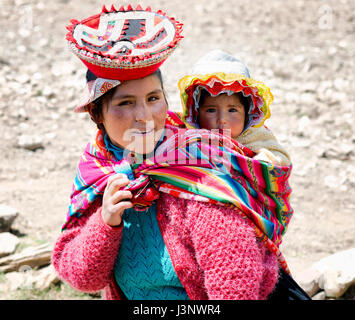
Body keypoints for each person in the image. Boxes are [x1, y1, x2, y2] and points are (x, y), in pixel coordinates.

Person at [52, 5, 295, 300]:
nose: (144, 115)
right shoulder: (98, 169)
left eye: (153, 98)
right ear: (97, 113)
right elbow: (82, 278)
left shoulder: (198, 165)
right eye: (126, 103)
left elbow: (234, 283)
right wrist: (106, 221)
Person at [178, 49, 291, 167]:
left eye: (232, 110)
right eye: (211, 110)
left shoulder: (255, 135)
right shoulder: (190, 139)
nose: (222, 120)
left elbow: (280, 157)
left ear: (247, 113)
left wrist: (260, 163)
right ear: (195, 113)